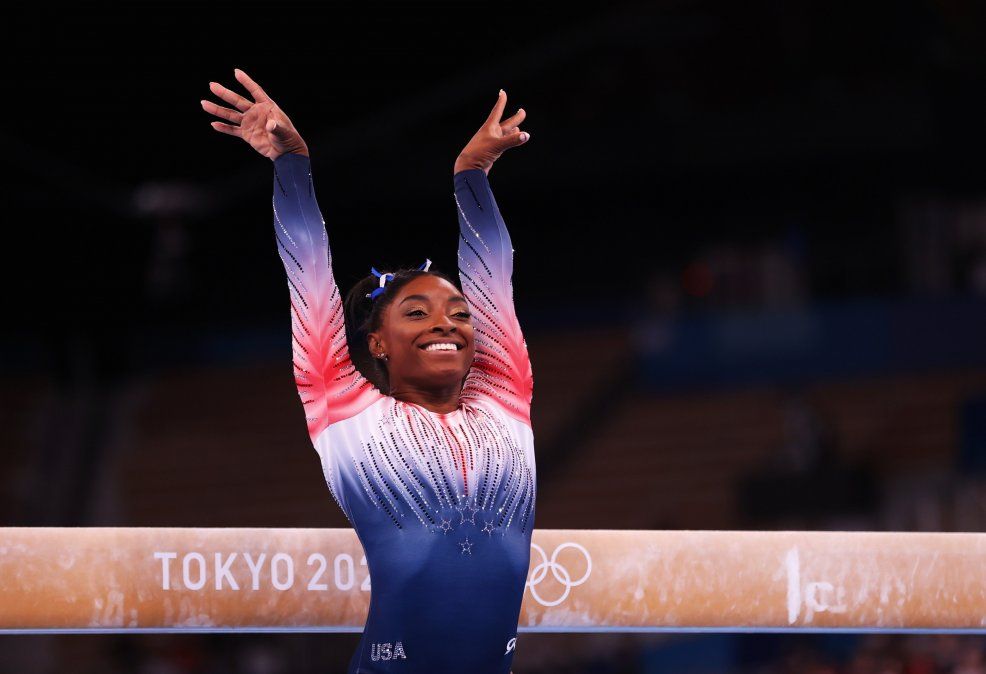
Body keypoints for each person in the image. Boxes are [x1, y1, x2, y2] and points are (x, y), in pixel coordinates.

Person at [201, 68, 535, 674]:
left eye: (459, 312)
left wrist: (471, 178)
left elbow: (495, 273)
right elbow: (307, 264)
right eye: (418, 312)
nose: (447, 322)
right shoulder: (343, 404)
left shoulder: (505, 397)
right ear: (376, 343)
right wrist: (291, 165)